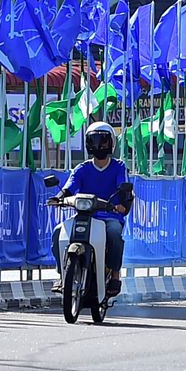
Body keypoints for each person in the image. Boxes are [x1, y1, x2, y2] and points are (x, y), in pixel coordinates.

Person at [50, 121, 131, 296]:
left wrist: (121, 205)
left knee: (115, 233)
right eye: (93, 141)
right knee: (58, 232)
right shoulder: (82, 168)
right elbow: (68, 188)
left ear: (111, 143)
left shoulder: (119, 166)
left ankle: (115, 275)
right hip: (85, 216)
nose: (98, 145)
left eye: (103, 141)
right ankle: (62, 275)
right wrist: (58, 198)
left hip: (110, 215)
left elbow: (124, 187)